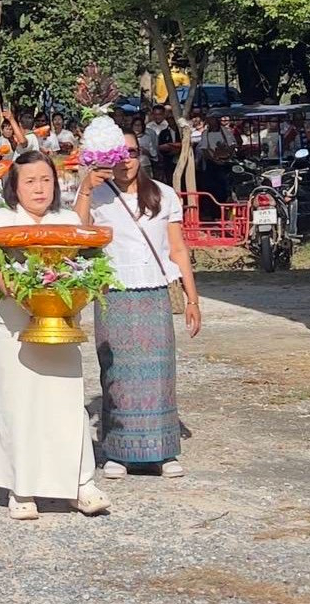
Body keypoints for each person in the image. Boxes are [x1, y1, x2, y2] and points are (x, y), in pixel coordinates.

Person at [0, 151, 110, 520]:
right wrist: (8, 283)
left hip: (61, 323)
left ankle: (81, 485)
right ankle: (21, 487)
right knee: (18, 405)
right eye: (30, 181)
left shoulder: (68, 219)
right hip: (14, 324)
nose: (39, 188)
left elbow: (89, 261)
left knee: (67, 404)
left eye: (45, 180)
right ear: (15, 187)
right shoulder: (3, 219)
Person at [74, 131, 201, 481]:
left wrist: (192, 297)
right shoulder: (96, 196)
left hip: (154, 293)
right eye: (120, 153)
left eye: (132, 152)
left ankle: (162, 451)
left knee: (158, 373)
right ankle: (118, 451)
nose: (126, 159)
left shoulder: (163, 194)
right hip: (112, 293)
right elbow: (78, 234)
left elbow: (177, 248)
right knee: (117, 373)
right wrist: (85, 187)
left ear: (141, 155)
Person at [146, 104, 178, 182]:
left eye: (160, 114)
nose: (157, 117)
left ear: (164, 114)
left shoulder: (169, 125)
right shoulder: (148, 127)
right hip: (153, 156)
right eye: (155, 114)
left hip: (168, 156)